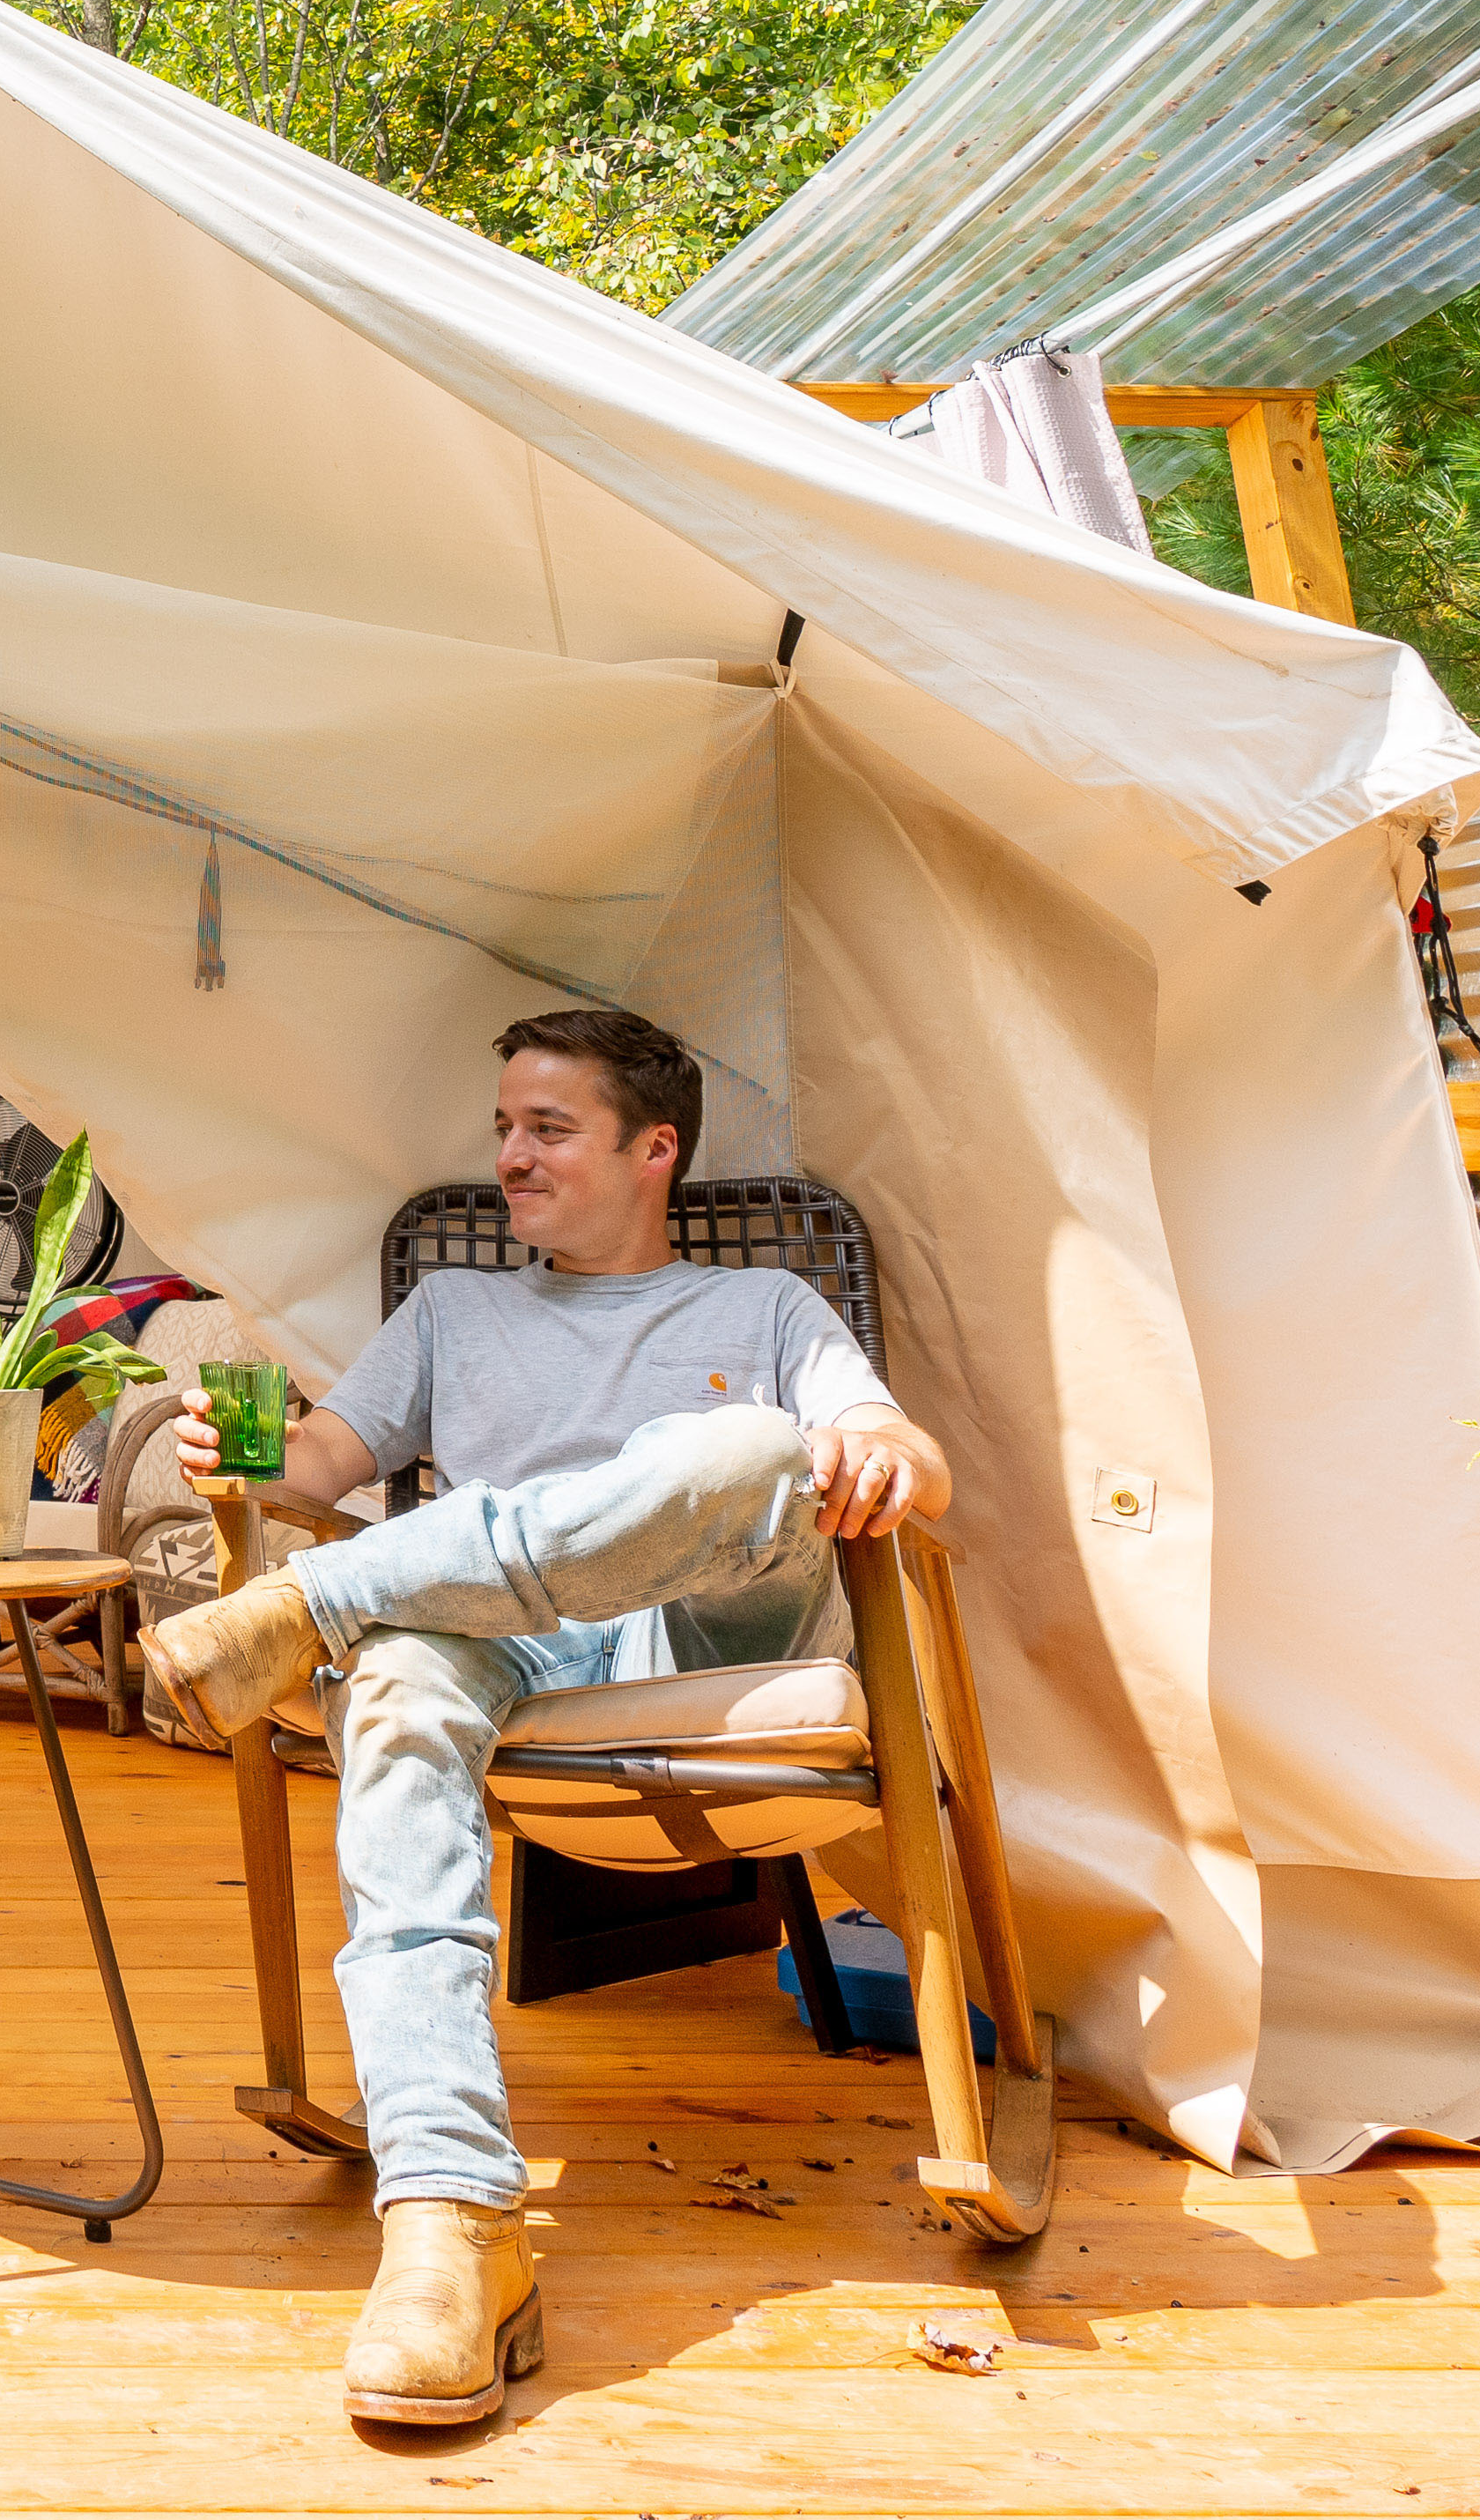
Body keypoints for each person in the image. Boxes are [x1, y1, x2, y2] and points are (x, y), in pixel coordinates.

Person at [118, 1004, 948, 2432]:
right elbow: (318, 1459)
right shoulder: (455, 1311)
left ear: (654, 1148)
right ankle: (449, 2225)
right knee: (402, 1670)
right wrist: (230, 1453)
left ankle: (309, 1610)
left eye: (546, 1128)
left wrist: (884, 1453)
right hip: (509, 1655)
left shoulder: (765, 1313)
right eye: (504, 1126)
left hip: (707, 1643)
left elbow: (915, 1460)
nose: (509, 1155)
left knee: (743, 1443)